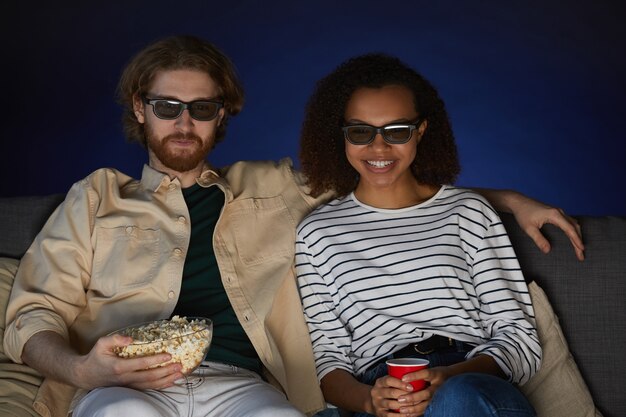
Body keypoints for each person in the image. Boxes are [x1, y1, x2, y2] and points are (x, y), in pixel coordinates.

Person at [3, 35, 580, 417]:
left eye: (203, 108)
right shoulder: (94, 199)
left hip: (242, 386)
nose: (184, 122)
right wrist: (84, 366)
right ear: (138, 108)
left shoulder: (274, 185)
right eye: (166, 106)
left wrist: (507, 200)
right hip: (119, 385)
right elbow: (31, 317)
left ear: (222, 115)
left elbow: (384, 178)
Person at [296, 53, 542, 417]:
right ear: (342, 135)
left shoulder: (468, 213)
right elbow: (329, 360)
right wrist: (370, 401)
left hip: (467, 379)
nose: (378, 148)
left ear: (421, 131)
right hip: (379, 389)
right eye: (361, 132)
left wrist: (448, 376)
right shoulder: (317, 233)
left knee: (455, 400)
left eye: (397, 131)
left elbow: (518, 339)